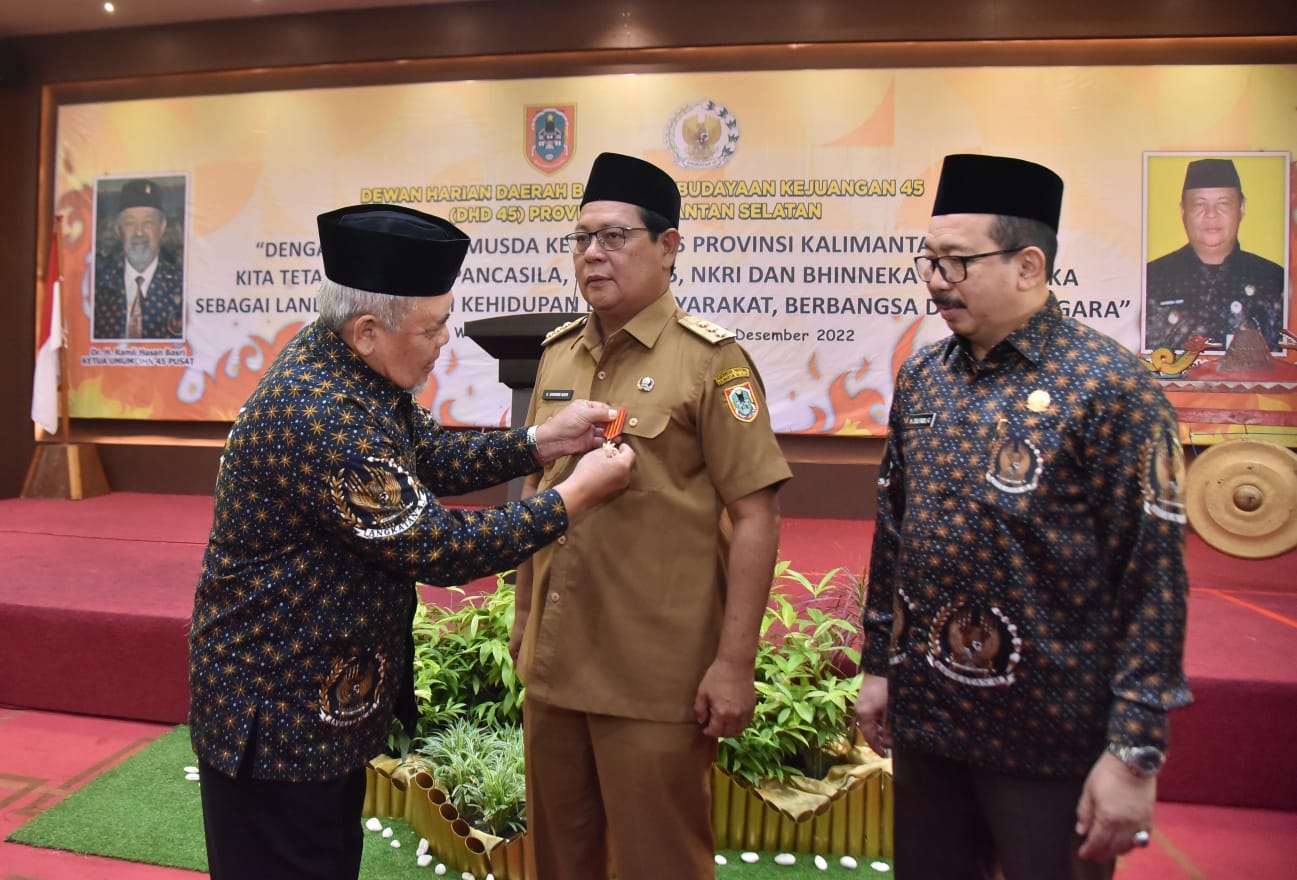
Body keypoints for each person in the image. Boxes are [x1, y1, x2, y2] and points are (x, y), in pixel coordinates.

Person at [188, 203, 636, 880]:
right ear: (369, 330)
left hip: (315, 709)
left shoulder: (344, 361)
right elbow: (436, 546)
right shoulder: (320, 412)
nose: (445, 340)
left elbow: (424, 456)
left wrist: (543, 441)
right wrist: (570, 497)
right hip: (276, 721)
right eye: (433, 327)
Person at [854, 153, 1192, 879]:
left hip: (1049, 740)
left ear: (1028, 266)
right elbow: (894, 528)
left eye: (956, 262)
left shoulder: (1112, 391)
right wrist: (877, 666)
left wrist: (1133, 753)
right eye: (928, 260)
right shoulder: (922, 377)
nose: (934, 281)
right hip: (930, 724)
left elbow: (1153, 583)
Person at [510, 152, 792, 880]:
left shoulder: (712, 362)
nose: (591, 254)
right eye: (579, 238)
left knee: (656, 862)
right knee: (558, 860)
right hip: (556, 660)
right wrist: (521, 616)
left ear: (668, 247)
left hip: (655, 671)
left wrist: (734, 665)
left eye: (614, 237)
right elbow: (539, 492)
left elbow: (755, 515)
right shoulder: (557, 354)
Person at [1144, 157, 1287, 352]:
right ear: (1183, 210)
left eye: (1223, 203)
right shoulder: (1151, 279)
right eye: (1199, 204)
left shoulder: (1274, 280)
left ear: (1242, 208)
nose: (1211, 214)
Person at [93, 177, 185, 340]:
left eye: (148, 223)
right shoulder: (99, 286)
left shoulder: (181, 286)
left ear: (162, 227)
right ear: (118, 229)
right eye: (130, 223)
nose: (139, 232)